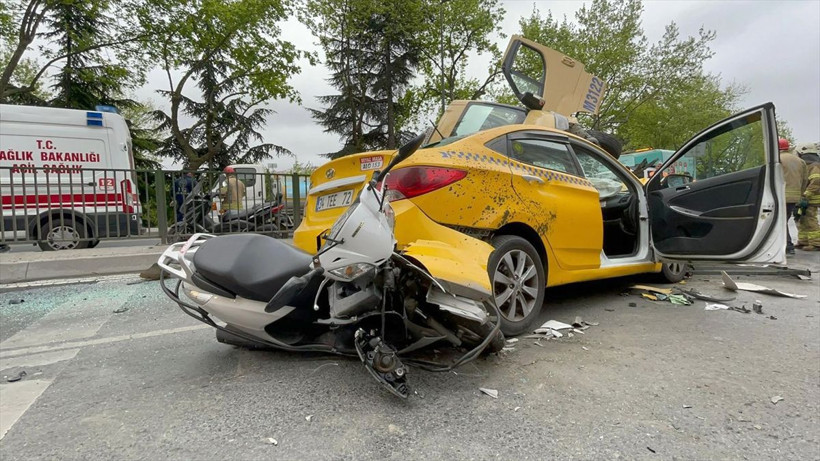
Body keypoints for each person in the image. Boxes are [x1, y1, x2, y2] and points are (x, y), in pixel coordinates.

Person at [779, 138, 808, 254]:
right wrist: (800, 193)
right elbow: (805, 179)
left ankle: (788, 246)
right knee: (784, 219)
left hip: (781, 195)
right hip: (795, 196)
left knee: (780, 221)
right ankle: (787, 245)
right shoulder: (800, 161)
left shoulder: (777, 159)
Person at [795, 142, 820, 251]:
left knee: (810, 220)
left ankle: (816, 243)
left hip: (811, 199)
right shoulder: (807, 166)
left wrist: (806, 195)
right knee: (801, 219)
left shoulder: (814, 166)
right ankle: (803, 241)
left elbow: (816, 181)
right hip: (805, 199)